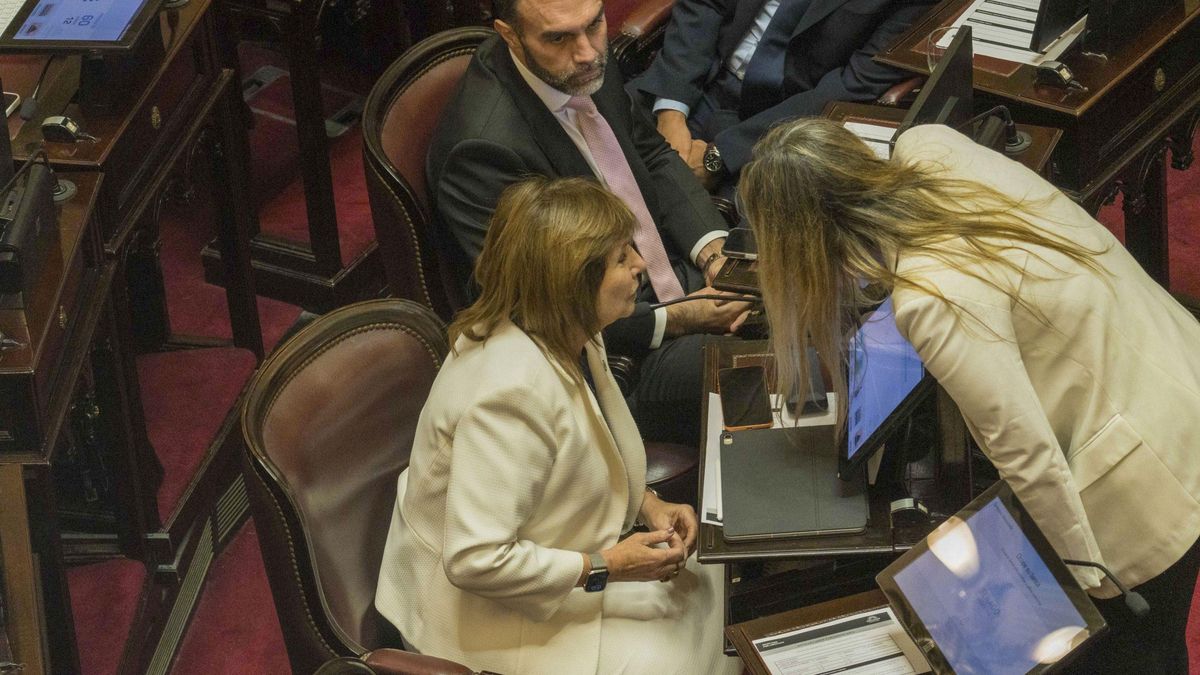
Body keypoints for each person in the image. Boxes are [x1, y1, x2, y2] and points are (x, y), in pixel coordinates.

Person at [738, 118, 1200, 673]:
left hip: (1148, 476)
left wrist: (1085, 585)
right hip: (1171, 364)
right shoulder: (930, 144)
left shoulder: (931, 296)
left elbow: (1027, 455)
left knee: (1140, 654)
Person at [375, 177, 739, 674]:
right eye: (620, 258)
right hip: (482, 616)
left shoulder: (569, 330)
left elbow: (580, 460)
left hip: (555, 560)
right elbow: (475, 559)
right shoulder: (506, 395)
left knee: (711, 581)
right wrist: (608, 566)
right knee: (677, 659)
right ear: (571, 282)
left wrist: (649, 504)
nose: (639, 265)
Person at [428, 0, 750, 445]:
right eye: (558, 37)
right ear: (509, 35)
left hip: (675, 274)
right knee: (778, 362)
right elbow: (537, 310)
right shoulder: (483, 151)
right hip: (615, 356)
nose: (586, 52)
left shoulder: (582, 63)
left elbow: (651, 154)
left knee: (807, 284)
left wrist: (715, 255)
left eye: (594, 24)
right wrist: (680, 318)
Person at [627, 0, 935, 194]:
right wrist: (671, 110)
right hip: (701, 79)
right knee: (600, 141)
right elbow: (708, 5)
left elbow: (853, 84)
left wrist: (723, 155)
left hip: (783, 122)